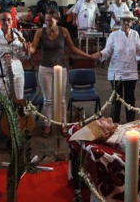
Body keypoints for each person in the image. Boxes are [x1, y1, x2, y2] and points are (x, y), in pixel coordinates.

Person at [30, 9, 95, 137]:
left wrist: (88, 56)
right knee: (47, 99)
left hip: (61, 68)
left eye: (51, 20)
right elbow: (32, 48)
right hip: (45, 69)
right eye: (46, 20)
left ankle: (63, 124)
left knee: (62, 99)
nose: (48, 23)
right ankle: (48, 124)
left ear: (57, 20)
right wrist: (27, 49)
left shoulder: (63, 31)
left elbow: (73, 48)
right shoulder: (40, 32)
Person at [92, 10, 140, 123]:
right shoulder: (114, 35)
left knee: (130, 98)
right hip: (116, 72)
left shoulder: (135, 34)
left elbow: (139, 49)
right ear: (120, 21)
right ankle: (115, 122)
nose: (126, 23)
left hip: (131, 72)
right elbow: (108, 51)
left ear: (132, 22)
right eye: (124, 20)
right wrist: (101, 54)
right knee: (116, 98)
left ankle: (130, 121)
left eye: (128, 21)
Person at [0, 10, 31, 100]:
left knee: (19, 101)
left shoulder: (18, 35)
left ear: (12, 21)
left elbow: (23, 56)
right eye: (3, 20)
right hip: (2, 74)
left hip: (18, 73)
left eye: (9, 19)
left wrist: (26, 50)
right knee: (6, 105)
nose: (6, 22)